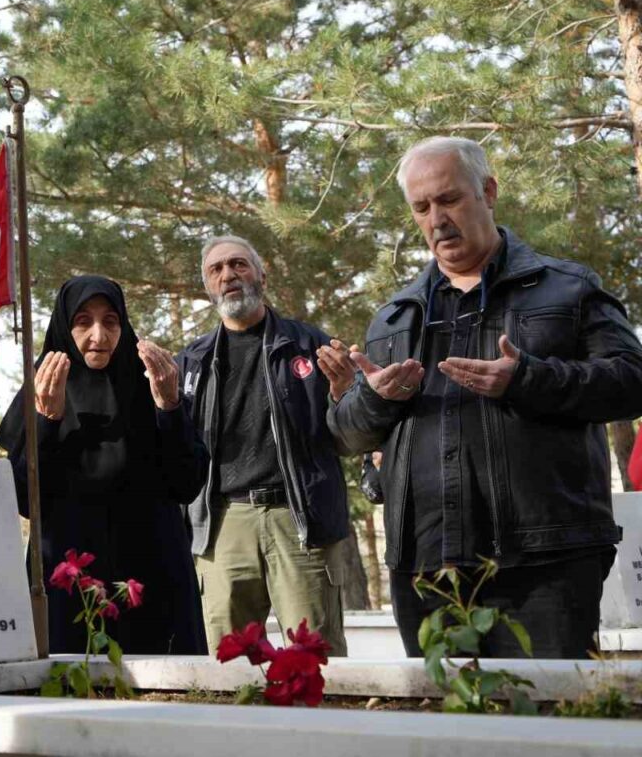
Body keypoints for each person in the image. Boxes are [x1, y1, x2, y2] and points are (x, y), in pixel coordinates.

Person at [330, 136, 642, 658]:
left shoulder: (567, 288)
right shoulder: (395, 316)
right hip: (427, 568)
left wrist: (527, 380)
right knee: (451, 737)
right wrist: (375, 401)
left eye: (449, 199)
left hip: (547, 563)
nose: (437, 219)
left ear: (489, 192)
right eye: (422, 208)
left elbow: (632, 381)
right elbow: (348, 434)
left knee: (548, 730)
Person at [0, 275, 206, 654]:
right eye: (83, 322)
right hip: (68, 572)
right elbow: (24, 499)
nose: (99, 335)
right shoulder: (42, 389)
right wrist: (47, 420)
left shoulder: (152, 386)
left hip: (151, 570)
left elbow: (187, 482)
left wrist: (169, 408)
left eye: (110, 321)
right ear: (64, 327)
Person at [177, 235, 356, 655]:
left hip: (299, 520)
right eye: (215, 270)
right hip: (223, 524)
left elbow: (349, 438)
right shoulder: (192, 361)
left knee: (316, 659)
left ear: (261, 273)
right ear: (207, 287)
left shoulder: (311, 345)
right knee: (228, 664)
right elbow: (178, 453)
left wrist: (345, 392)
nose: (228, 276)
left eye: (238, 264)